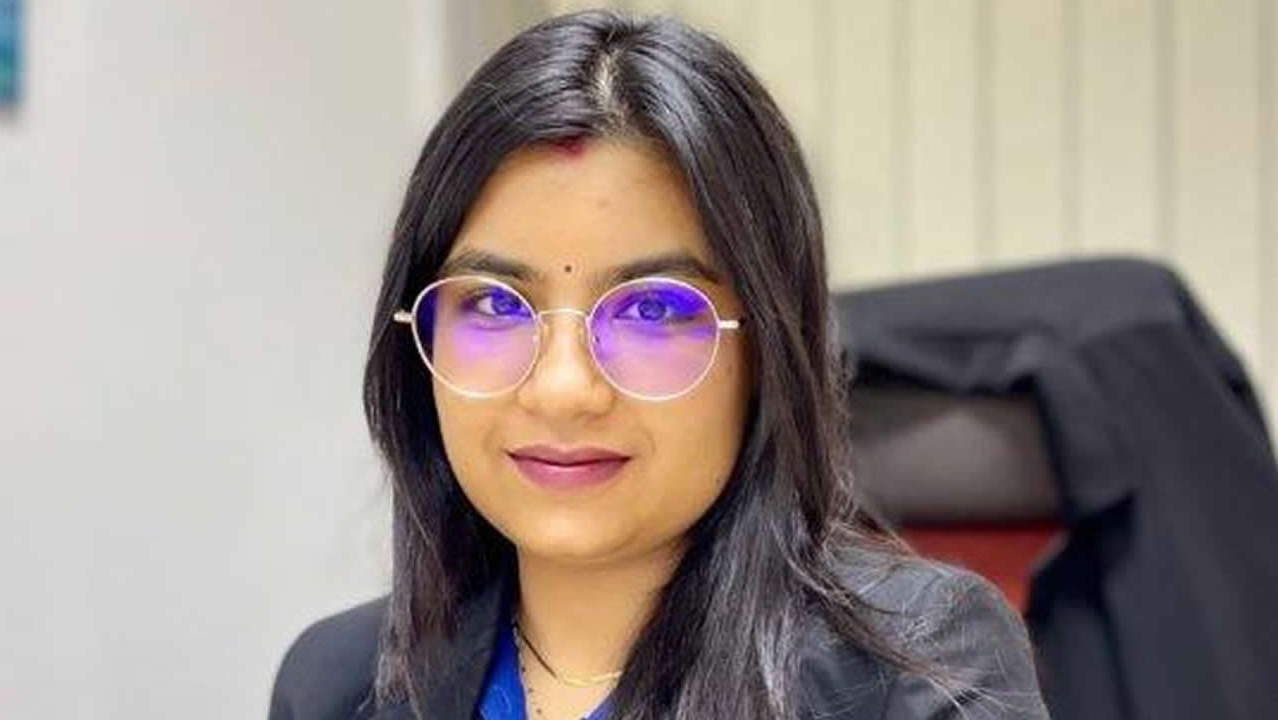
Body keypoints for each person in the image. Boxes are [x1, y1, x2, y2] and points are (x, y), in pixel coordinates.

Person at [268, 9, 1050, 720]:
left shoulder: (914, 673)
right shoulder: (339, 684)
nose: (564, 389)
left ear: (766, 350)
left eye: (650, 310)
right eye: (497, 303)